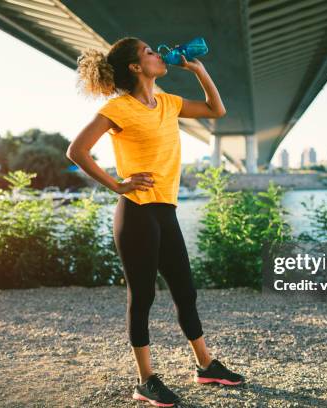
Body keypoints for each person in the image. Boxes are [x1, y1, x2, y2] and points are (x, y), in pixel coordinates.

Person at [67, 36, 245, 407]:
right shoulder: (119, 108)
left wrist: (199, 70)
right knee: (143, 296)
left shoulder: (167, 103)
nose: (158, 54)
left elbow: (216, 111)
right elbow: (77, 150)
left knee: (185, 291)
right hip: (135, 211)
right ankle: (146, 380)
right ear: (135, 67)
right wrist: (117, 183)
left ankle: (206, 365)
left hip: (166, 210)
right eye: (149, 52)